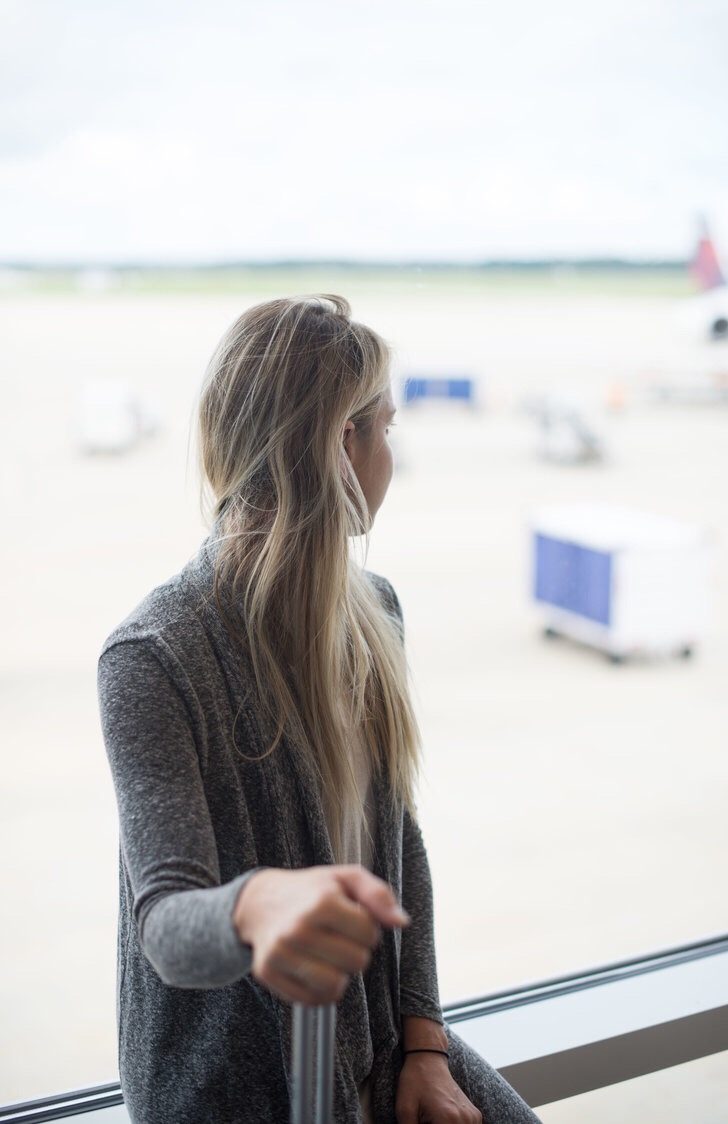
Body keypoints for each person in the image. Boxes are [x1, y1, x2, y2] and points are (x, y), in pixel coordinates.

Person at [99, 295, 541, 1123]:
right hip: (237, 1092)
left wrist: (426, 1046)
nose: (390, 458)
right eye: (388, 429)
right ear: (344, 442)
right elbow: (165, 927)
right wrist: (255, 904)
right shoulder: (154, 657)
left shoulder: (376, 617)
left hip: (375, 1044)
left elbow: (399, 845)